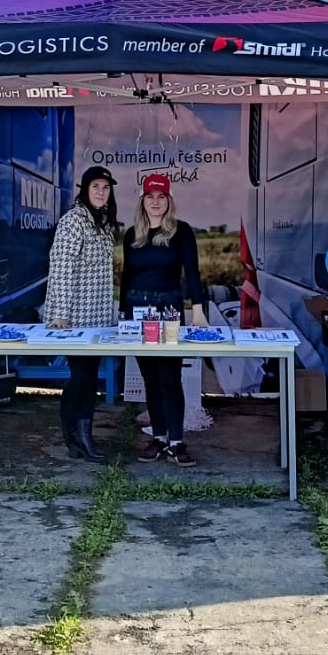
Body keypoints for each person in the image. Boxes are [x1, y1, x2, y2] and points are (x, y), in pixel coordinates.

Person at [121, 172, 209, 467]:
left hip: (169, 310)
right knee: (150, 378)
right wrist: (123, 315)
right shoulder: (132, 235)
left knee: (170, 377)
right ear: (142, 201)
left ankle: (176, 442)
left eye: (161, 197)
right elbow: (127, 276)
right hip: (137, 311)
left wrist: (198, 310)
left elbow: (192, 272)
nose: (155, 202)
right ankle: (158, 437)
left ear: (169, 200)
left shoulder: (181, 231)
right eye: (150, 197)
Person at [43, 164, 118, 463]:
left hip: (97, 317)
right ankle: (77, 437)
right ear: (85, 190)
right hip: (74, 318)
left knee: (87, 377)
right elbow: (61, 268)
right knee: (82, 378)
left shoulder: (104, 222)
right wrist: (61, 314)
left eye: (106, 188)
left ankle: (78, 438)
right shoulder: (73, 221)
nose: (101, 192)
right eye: (95, 187)